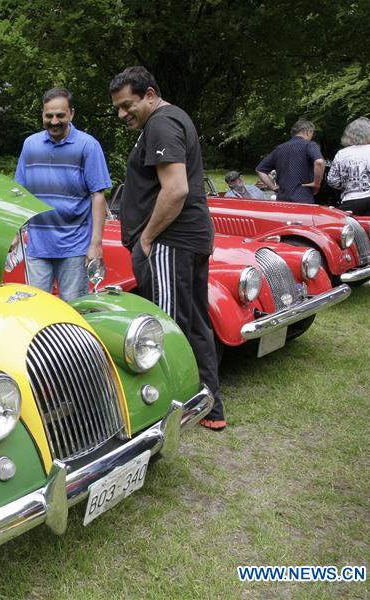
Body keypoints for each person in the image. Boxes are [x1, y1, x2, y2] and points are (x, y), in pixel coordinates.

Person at [107, 66, 225, 431]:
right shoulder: (170, 120)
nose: (124, 114)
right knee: (193, 322)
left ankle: (167, 413)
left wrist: (145, 239)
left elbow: (175, 190)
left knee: (165, 329)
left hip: (170, 242)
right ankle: (209, 406)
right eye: (118, 109)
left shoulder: (161, 123)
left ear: (151, 94)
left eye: (128, 105)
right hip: (185, 239)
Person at [14, 87, 112, 301]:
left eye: (60, 115)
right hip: (37, 246)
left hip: (74, 248)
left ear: (72, 114)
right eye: (49, 115)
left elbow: (98, 195)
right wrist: (14, 232)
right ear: (42, 114)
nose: (54, 121)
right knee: (36, 309)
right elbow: (20, 193)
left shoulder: (88, 146)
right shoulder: (30, 145)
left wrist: (95, 245)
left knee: (74, 309)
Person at [327, 117, 370, 222]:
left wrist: (347, 184)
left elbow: (332, 181)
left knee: (350, 234)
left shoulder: (342, 153)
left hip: (351, 200)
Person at [255, 120, 325, 203]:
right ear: (308, 132)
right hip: (303, 198)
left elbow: (260, 169)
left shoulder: (279, 148)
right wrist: (316, 184)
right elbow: (319, 162)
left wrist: (273, 187)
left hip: (282, 199)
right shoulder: (309, 145)